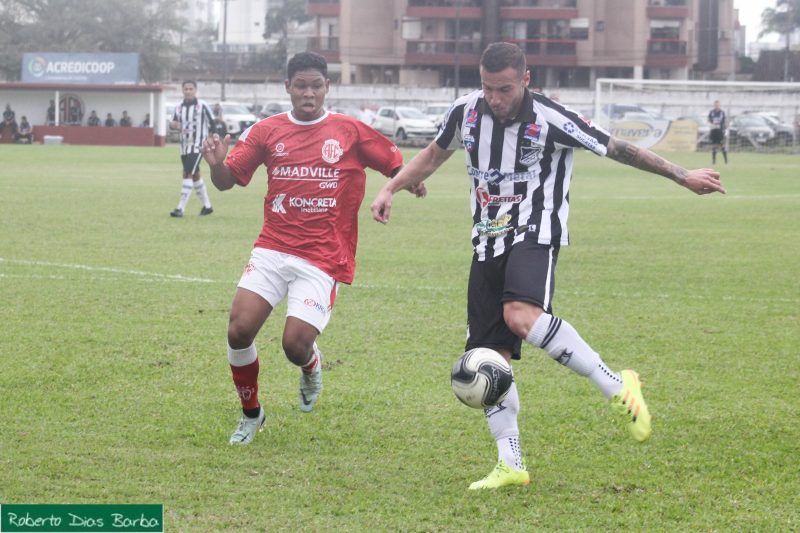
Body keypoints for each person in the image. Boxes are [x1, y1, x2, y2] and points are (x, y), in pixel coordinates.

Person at [371, 42, 726, 490]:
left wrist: (682, 175)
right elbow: (434, 154)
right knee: (488, 359)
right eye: (487, 88)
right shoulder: (467, 111)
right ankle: (510, 463)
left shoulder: (552, 117)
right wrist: (391, 188)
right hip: (485, 242)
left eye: (503, 89)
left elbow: (618, 148)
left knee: (520, 315)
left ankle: (617, 386)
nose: (494, 99)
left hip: (535, 232)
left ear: (526, 79)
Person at [200, 51, 425, 445]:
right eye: (300, 85)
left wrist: (406, 181)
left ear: (327, 88)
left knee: (294, 345)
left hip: (323, 256)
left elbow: (392, 161)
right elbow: (227, 181)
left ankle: (311, 363)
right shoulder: (266, 131)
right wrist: (217, 165)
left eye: (316, 86)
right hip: (272, 247)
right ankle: (252, 415)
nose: (308, 93)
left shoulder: (350, 131)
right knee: (238, 331)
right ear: (287, 87)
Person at [169, 80, 215, 217]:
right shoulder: (178, 108)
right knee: (195, 175)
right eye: (186, 89)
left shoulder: (202, 106)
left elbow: (213, 123)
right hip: (184, 146)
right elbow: (173, 124)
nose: (188, 91)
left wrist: (212, 140)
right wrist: (173, 125)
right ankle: (207, 206)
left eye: (191, 89)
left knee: (187, 173)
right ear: (182, 90)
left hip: (198, 146)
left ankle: (180, 208)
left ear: (195, 90)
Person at [708, 100, 727, 164]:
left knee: (722, 145)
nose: (717, 106)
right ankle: (714, 161)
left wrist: (723, 128)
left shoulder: (722, 112)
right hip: (714, 130)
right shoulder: (712, 112)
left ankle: (726, 161)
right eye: (716, 105)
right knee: (714, 146)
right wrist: (712, 123)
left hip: (720, 131)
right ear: (714, 105)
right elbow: (709, 120)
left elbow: (724, 121)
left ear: (719, 105)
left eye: (718, 105)